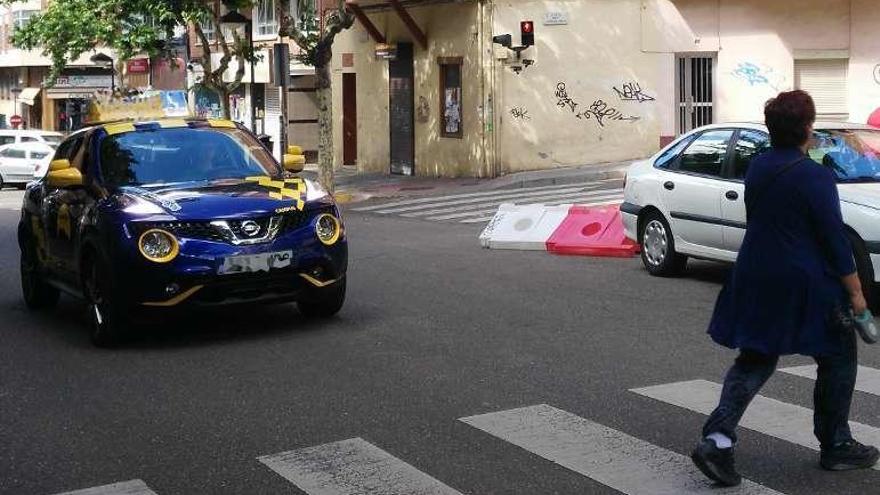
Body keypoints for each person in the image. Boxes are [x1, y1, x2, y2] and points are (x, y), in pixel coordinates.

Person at [690, 90, 879, 486]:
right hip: (804, 282)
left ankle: (717, 439)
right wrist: (857, 293)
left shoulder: (758, 167)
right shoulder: (814, 175)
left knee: (756, 357)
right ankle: (836, 444)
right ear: (807, 129)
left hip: (755, 274)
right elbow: (833, 238)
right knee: (839, 355)